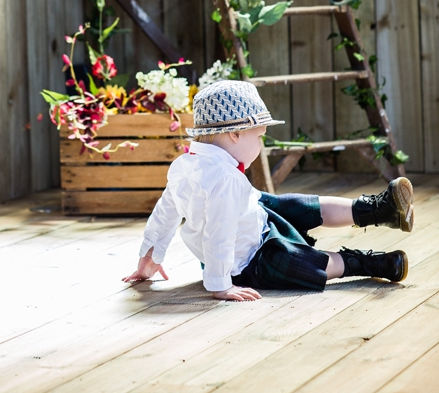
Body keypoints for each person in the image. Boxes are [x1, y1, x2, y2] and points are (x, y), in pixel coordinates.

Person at [123, 79, 413, 301]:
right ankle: (368, 263)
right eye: (259, 137)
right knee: (306, 263)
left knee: (298, 205)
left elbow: (165, 214)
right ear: (234, 134)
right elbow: (218, 235)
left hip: (254, 216)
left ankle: (380, 209)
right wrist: (220, 284)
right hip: (251, 259)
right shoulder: (225, 179)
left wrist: (149, 258)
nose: (260, 145)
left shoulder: (184, 165)